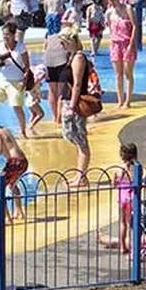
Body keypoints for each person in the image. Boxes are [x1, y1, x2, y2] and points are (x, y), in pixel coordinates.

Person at [58, 26, 92, 185]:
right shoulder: (70, 57)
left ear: (71, 41)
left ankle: (82, 176)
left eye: (63, 42)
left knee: (80, 139)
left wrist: (72, 106)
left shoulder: (78, 58)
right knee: (73, 138)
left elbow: (77, 84)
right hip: (67, 102)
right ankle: (79, 173)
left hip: (75, 104)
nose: (62, 45)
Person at [0, 22, 30, 138]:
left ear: (13, 34)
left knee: (17, 106)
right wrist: (1, 61)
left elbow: (27, 66)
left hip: (16, 81)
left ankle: (23, 131)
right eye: (3, 34)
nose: (5, 37)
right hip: (2, 79)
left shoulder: (20, 47)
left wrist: (24, 82)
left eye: (7, 34)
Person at [105, 0, 137, 108]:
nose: (111, 3)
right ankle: (120, 100)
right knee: (118, 74)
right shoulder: (109, 13)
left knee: (128, 73)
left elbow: (134, 26)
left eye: (113, 0)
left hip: (127, 42)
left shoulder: (127, 9)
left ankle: (128, 100)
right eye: (109, 1)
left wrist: (131, 44)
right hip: (115, 43)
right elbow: (110, 28)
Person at [27, 64, 46, 131]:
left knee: (34, 114)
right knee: (41, 114)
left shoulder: (33, 81)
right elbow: (32, 90)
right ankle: (31, 127)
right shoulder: (35, 82)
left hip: (29, 101)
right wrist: (37, 97)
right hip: (32, 101)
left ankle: (30, 128)